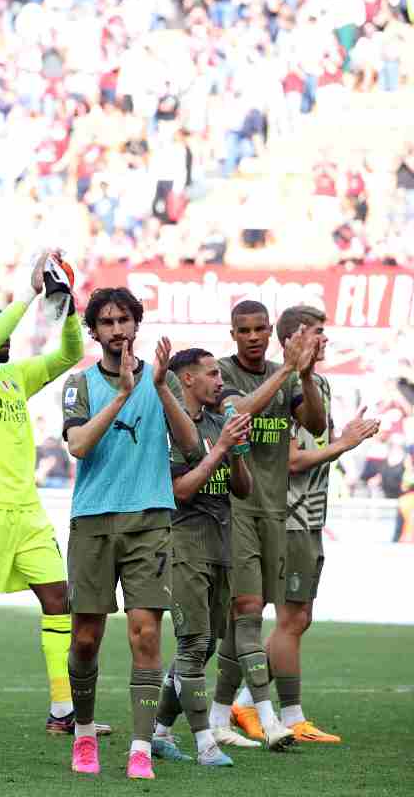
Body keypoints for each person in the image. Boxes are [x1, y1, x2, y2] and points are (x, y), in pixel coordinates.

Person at [0, 249, 101, 736]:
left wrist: (65, 309)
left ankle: (62, 709)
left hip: (27, 511)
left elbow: (69, 355)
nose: (7, 340)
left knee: (58, 599)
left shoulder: (15, 378)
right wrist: (28, 293)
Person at [60, 287, 199, 780]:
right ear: (95, 331)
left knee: (146, 633)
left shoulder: (164, 380)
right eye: (107, 322)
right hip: (93, 521)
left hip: (149, 521)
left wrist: (158, 387)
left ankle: (140, 747)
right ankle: (83, 734)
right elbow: (78, 445)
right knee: (85, 637)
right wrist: (121, 394)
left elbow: (191, 445)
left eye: (124, 320)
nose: (117, 329)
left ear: (136, 325)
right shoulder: (78, 384)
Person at [221, 306, 378, 744]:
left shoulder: (313, 383)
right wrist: (343, 445)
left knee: (297, 616)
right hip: (287, 513)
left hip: (310, 516)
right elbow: (291, 460)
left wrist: (309, 382)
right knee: (281, 616)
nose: (325, 340)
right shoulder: (273, 380)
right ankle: (287, 714)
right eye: (317, 333)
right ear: (292, 337)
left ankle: (242, 702)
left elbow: (316, 424)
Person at [206, 300, 323, 751]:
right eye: (244, 330)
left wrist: (304, 376)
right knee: (249, 610)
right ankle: (269, 717)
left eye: (260, 329)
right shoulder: (222, 372)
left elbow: (315, 422)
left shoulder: (287, 374)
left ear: (270, 331)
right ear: (233, 334)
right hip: (235, 509)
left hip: (275, 510)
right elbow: (237, 415)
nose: (253, 337)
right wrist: (287, 371)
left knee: (243, 621)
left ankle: (218, 717)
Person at [149, 348, 254, 767]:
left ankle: (159, 732)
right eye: (212, 374)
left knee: (206, 643)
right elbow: (180, 491)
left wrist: (237, 451)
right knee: (193, 643)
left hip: (221, 545)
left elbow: (242, 489)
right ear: (187, 379)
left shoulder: (216, 423)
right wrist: (220, 448)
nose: (220, 381)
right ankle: (205, 743)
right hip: (184, 543)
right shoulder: (169, 427)